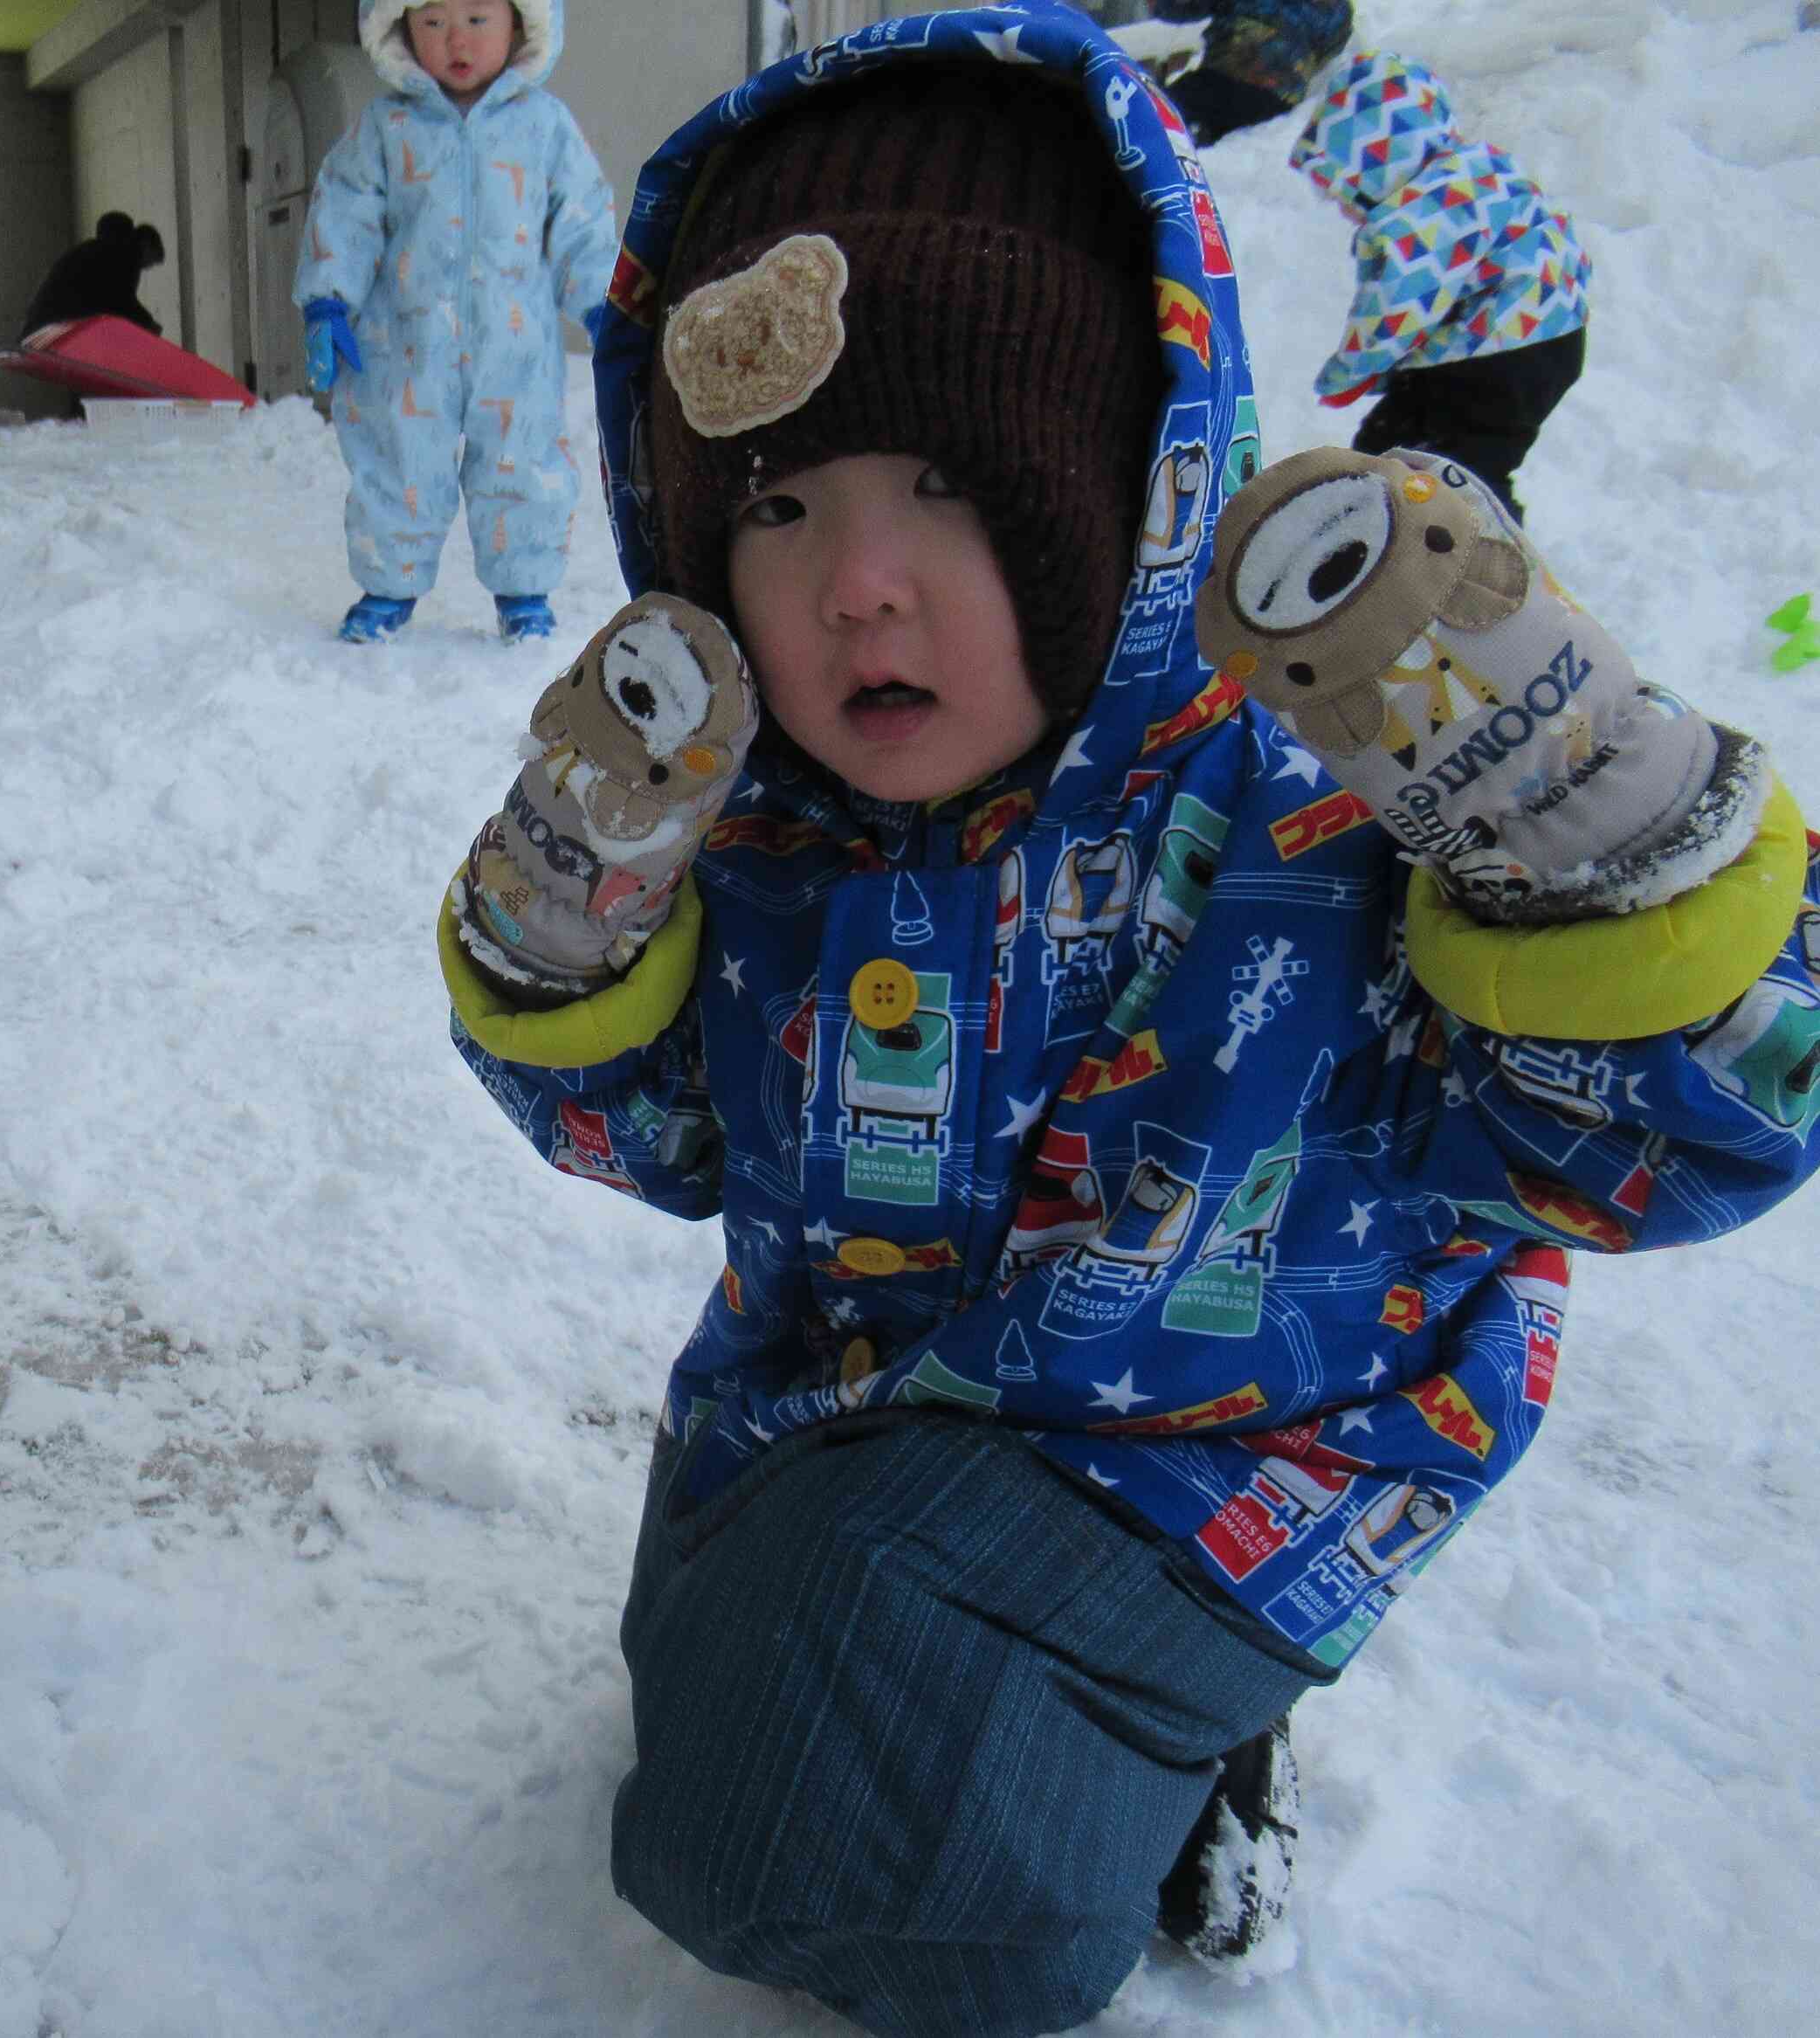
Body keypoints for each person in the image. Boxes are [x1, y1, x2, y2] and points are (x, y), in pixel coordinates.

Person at [434, 7, 1820, 2033]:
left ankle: (1172, 1728)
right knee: (722, 1685)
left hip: (1232, 1448)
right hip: (848, 1412)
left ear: (1128, 483)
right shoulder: (771, 840)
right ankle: (1014, 1719)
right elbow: (665, 1138)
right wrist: (570, 937)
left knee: (800, 1838)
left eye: (939, 484)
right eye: (778, 508)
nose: (859, 587)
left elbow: (1651, 1138)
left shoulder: (1312, 808)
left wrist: (1594, 855)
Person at [293, 2, 616, 645]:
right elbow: (346, 211)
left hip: (514, 344)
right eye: (433, 22)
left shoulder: (543, 127)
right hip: (405, 344)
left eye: (476, 19)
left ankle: (523, 590)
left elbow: (582, 217)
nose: (455, 41)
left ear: (521, 25)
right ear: (401, 30)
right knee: (396, 461)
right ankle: (388, 586)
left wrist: (605, 303)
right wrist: (328, 299)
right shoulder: (386, 127)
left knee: (521, 460)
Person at [1293, 50, 1593, 522]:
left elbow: (1394, 310)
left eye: (1344, 187)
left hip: (1505, 352)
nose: (1341, 206)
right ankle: (1388, 523)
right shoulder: (1471, 172)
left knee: (1458, 467)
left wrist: (1349, 371)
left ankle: (1487, 559)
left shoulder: (1414, 216)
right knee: (1398, 444)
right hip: (1544, 335)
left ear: (1379, 164)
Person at [1148, 1, 1352, 144]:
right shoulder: (1339, 7)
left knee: (1150, 114)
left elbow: (1181, 8)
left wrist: (1158, 6)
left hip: (1220, 83)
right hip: (1279, 104)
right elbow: (1331, 51)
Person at [20, 211, 166, 339]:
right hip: (57, 321)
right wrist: (148, 323)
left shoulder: (93, 249)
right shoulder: (124, 256)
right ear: (146, 245)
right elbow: (119, 299)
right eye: (151, 261)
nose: (147, 267)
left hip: (41, 321)